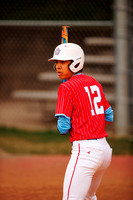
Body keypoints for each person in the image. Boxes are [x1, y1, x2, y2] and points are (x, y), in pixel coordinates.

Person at [48, 43, 113, 200]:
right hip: (105, 152)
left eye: (63, 62)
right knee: (89, 197)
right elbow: (109, 116)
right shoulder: (94, 82)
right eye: (56, 62)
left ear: (76, 62)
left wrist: (67, 91)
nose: (58, 66)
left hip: (86, 152)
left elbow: (63, 128)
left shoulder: (66, 88)